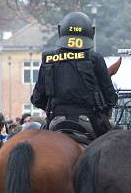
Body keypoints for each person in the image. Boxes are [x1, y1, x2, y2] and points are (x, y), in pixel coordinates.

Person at [30, 11, 117, 140]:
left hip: (55, 121)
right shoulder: (95, 59)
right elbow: (110, 98)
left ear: (60, 31)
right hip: (90, 122)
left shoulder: (48, 59)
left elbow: (37, 99)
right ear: (91, 33)